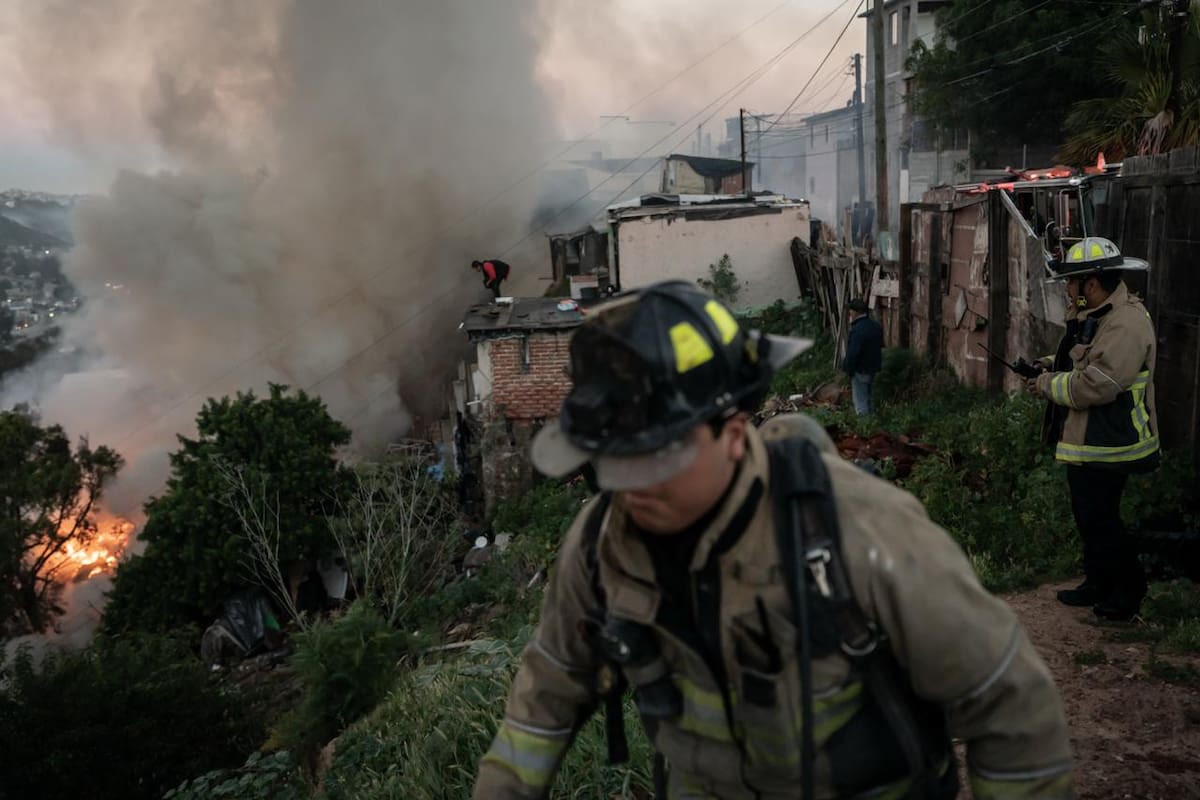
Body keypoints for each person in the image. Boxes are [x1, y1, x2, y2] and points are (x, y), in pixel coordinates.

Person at [473, 280, 1073, 800]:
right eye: (613, 463)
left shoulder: (856, 529)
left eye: (658, 459)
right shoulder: (600, 546)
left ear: (734, 433)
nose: (632, 490)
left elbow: (1009, 702)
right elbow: (545, 701)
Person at [1027, 237, 1158, 622]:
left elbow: (1098, 383)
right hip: (1087, 441)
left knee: (1102, 520)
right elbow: (1079, 356)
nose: (1068, 289)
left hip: (1111, 442)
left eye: (1073, 282)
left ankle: (1127, 595)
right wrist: (1045, 365)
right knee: (1088, 516)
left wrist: (1046, 385)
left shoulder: (1127, 323)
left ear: (1093, 283)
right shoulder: (1095, 314)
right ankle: (1098, 583)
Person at [842, 297, 883, 416]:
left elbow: (853, 353)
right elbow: (880, 346)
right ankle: (873, 425)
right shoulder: (875, 326)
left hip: (860, 370)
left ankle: (865, 428)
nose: (849, 313)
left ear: (855, 312)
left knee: (861, 402)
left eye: (850, 311)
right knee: (870, 399)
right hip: (873, 368)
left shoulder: (857, 330)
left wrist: (848, 369)